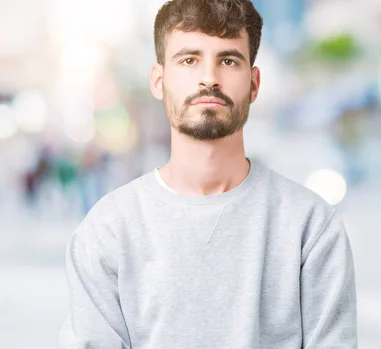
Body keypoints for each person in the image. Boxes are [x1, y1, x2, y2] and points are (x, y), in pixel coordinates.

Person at [58, 0, 357, 348]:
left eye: (228, 60)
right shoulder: (107, 231)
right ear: (159, 80)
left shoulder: (311, 227)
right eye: (189, 60)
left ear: (254, 83)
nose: (209, 78)